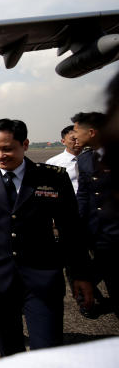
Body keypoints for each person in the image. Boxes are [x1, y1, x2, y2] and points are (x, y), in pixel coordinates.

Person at [0, 118, 94, 357]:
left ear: (25, 144)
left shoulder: (52, 178)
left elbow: (71, 228)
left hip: (42, 277)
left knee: (47, 350)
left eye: (7, 148)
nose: (0, 155)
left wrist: (80, 274)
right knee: (9, 350)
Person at [72, 111, 117, 317]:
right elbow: (84, 195)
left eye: (76, 131)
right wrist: (79, 225)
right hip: (97, 234)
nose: (74, 136)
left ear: (91, 132)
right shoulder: (85, 159)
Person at [45, 125, 82, 192]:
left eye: (80, 139)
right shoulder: (53, 163)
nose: (77, 142)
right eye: (73, 139)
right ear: (63, 141)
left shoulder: (92, 159)